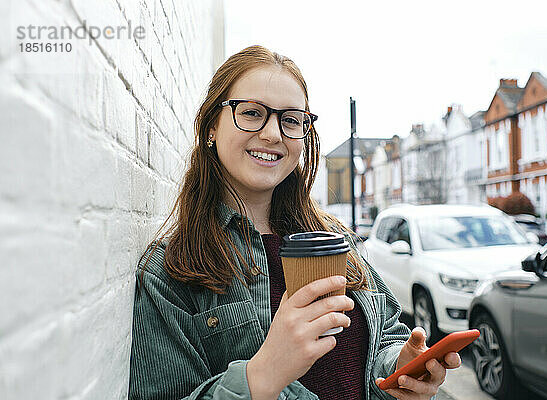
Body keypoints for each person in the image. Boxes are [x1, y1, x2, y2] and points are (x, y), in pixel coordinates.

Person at [128, 45, 461, 400]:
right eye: (252, 113)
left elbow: (386, 335)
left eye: (290, 120)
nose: (273, 134)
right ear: (211, 126)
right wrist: (265, 372)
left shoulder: (334, 238)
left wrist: (399, 367)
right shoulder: (171, 269)